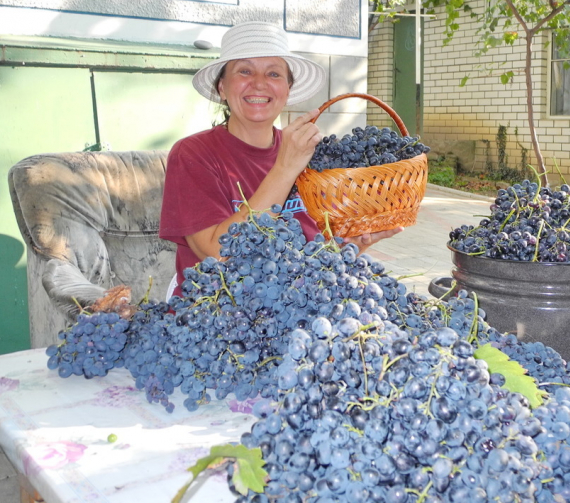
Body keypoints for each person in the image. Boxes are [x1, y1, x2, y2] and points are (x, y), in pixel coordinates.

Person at [159, 21, 403, 297]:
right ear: (222, 88)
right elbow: (218, 254)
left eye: (274, 74)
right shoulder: (194, 154)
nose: (260, 83)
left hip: (291, 311)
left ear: (287, 91)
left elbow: (313, 257)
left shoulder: (313, 158)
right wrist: (285, 169)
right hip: (220, 318)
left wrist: (354, 245)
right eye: (245, 71)